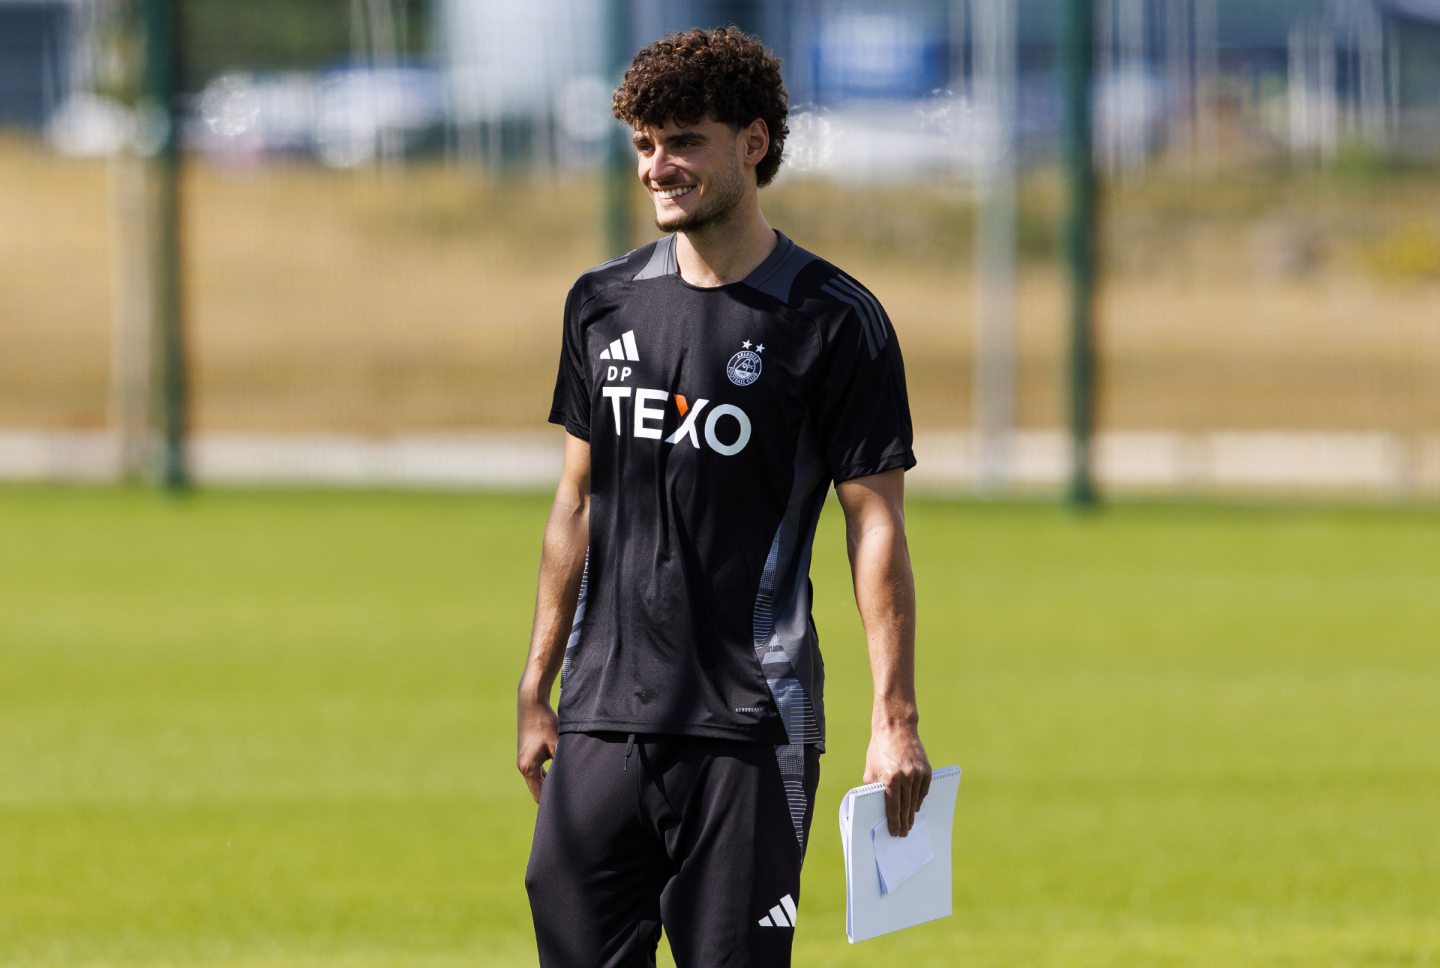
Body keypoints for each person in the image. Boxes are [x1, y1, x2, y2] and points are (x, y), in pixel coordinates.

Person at [517, 25, 931, 968]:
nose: (659, 166)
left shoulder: (835, 319)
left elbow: (876, 522)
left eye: (684, 142)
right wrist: (536, 685)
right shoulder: (601, 302)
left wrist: (894, 719)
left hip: (750, 725)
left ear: (754, 142)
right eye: (644, 145)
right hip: (599, 722)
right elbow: (575, 505)